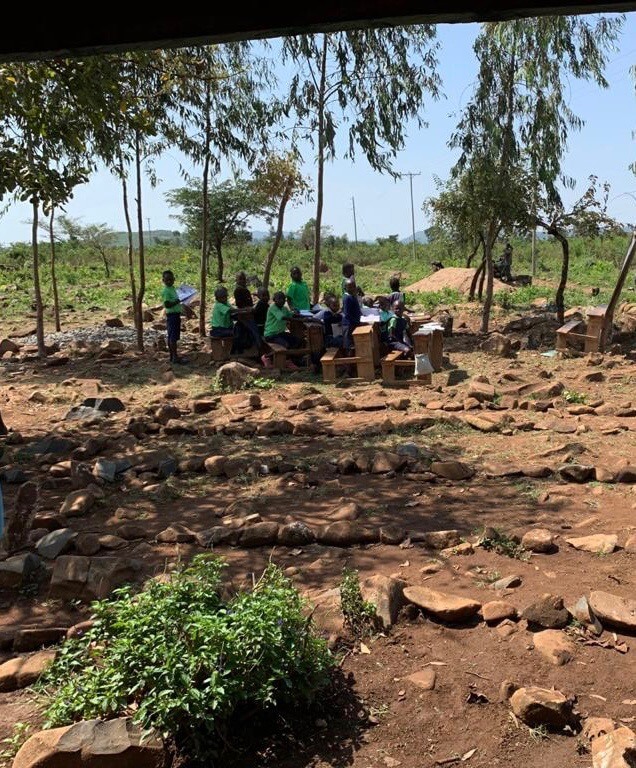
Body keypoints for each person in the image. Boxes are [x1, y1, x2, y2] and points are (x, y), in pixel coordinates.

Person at [264, 290, 302, 370]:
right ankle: (267, 357)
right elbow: (282, 317)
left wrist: (295, 313)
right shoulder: (273, 307)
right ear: (274, 300)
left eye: (283, 299)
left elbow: (290, 315)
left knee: (297, 341)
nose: (281, 300)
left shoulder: (284, 308)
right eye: (279, 299)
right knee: (285, 345)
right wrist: (296, 319)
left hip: (280, 333)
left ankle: (292, 359)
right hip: (271, 335)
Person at [161, 269, 187, 365]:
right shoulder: (166, 291)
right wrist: (178, 300)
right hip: (172, 315)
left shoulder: (172, 288)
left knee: (173, 336)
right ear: (163, 280)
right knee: (172, 337)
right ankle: (174, 357)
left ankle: (173, 356)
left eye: (171, 279)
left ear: (174, 279)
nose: (169, 281)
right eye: (167, 280)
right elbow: (167, 304)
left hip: (176, 315)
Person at [209, 286, 237, 350]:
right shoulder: (219, 305)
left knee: (236, 330)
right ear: (218, 298)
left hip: (226, 327)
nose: (225, 298)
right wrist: (243, 310)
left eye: (226, 297)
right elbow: (231, 310)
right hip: (219, 329)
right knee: (236, 333)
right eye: (223, 297)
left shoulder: (226, 303)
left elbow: (233, 308)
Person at [342, 277, 361, 353]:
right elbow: (347, 314)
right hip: (349, 325)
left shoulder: (353, 296)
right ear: (345, 288)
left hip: (353, 323)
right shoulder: (347, 298)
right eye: (350, 287)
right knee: (349, 345)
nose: (353, 288)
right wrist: (356, 321)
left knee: (353, 343)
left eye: (354, 286)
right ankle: (348, 363)